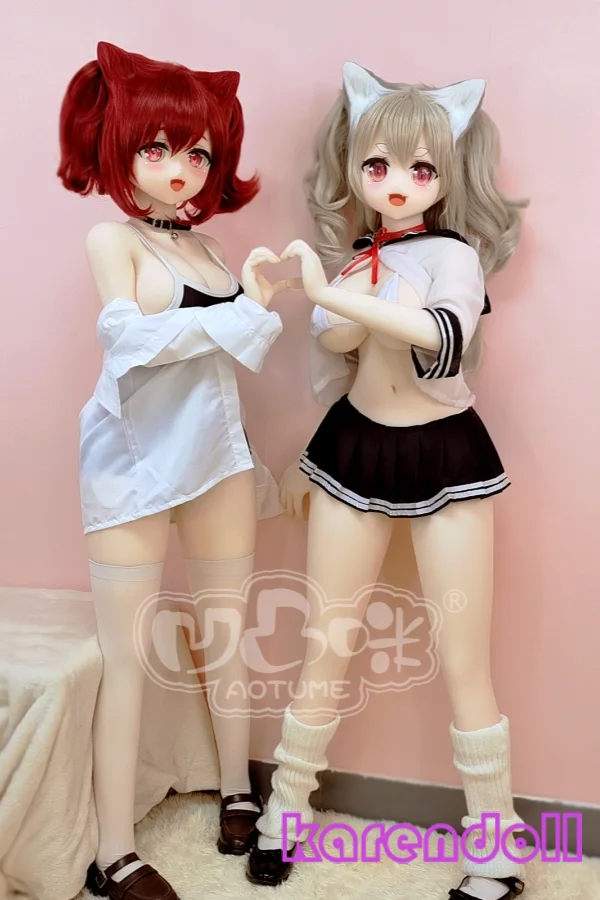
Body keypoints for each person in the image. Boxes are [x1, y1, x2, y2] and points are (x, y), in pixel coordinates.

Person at [246, 62, 528, 900]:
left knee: (464, 659)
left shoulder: (454, 258)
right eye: (377, 165)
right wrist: (321, 297)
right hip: (355, 450)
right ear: (353, 166)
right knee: (325, 644)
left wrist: (333, 291)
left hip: (446, 455)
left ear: (447, 175)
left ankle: (497, 846)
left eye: (420, 168)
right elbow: (338, 355)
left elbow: (439, 339)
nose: (397, 183)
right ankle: (284, 813)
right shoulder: (358, 262)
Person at [58, 41, 289, 900]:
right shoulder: (109, 239)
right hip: (131, 465)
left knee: (229, 635)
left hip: (218, 459)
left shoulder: (214, 251)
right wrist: (241, 318)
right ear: (119, 147)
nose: (180, 168)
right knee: (128, 657)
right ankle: (113, 851)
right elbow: (128, 340)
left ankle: (236, 788)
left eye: (197, 151)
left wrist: (251, 304)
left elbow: (234, 356)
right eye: (157, 147)